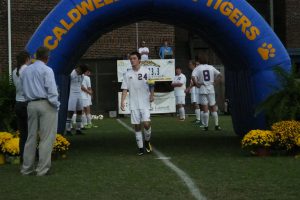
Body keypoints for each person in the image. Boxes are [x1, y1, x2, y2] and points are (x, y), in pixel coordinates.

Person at [20, 46, 60, 176]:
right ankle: (42, 169)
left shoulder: (26, 71)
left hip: (30, 104)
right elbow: (52, 91)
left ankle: (27, 168)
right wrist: (56, 104)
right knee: (46, 138)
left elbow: (23, 89)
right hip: (46, 104)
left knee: (30, 137)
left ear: (36, 56)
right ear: (47, 57)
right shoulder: (47, 70)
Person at [121, 51, 154, 156]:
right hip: (134, 103)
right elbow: (125, 89)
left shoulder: (146, 71)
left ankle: (147, 141)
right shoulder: (127, 74)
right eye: (131, 59)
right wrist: (122, 101)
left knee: (146, 124)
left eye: (134, 58)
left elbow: (151, 84)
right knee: (137, 126)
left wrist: (152, 94)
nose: (132, 60)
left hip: (145, 102)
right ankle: (140, 148)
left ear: (139, 60)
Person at [192, 54, 222, 131]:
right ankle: (217, 125)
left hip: (202, 88)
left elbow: (193, 76)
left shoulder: (198, 68)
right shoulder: (211, 67)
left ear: (199, 60)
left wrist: (196, 83)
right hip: (211, 88)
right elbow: (220, 75)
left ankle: (206, 126)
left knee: (205, 108)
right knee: (213, 107)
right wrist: (215, 83)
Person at [12, 50, 31, 162]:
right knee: (30, 132)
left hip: (18, 103)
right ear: (26, 59)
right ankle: (31, 156)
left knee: (23, 133)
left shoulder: (15, 71)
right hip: (26, 103)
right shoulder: (27, 70)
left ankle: (23, 156)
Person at [65, 64, 88, 136]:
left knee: (80, 111)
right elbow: (67, 84)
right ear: (79, 69)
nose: (82, 73)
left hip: (79, 94)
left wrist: (86, 91)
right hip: (72, 94)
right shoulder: (71, 74)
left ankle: (78, 129)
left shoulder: (82, 76)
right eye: (82, 71)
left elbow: (80, 85)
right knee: (70, 111)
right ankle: (68, 130)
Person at [185, 60, 203, 125]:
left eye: (190, 64)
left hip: (196, 89)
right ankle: (198, 119)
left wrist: (188, 88)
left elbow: (195, 82)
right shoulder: (194, 71)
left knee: (197, 104)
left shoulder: (196, 71)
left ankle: (199, 120)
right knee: (195, 104)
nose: (189, 65)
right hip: (193, 89)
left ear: (193, 64)